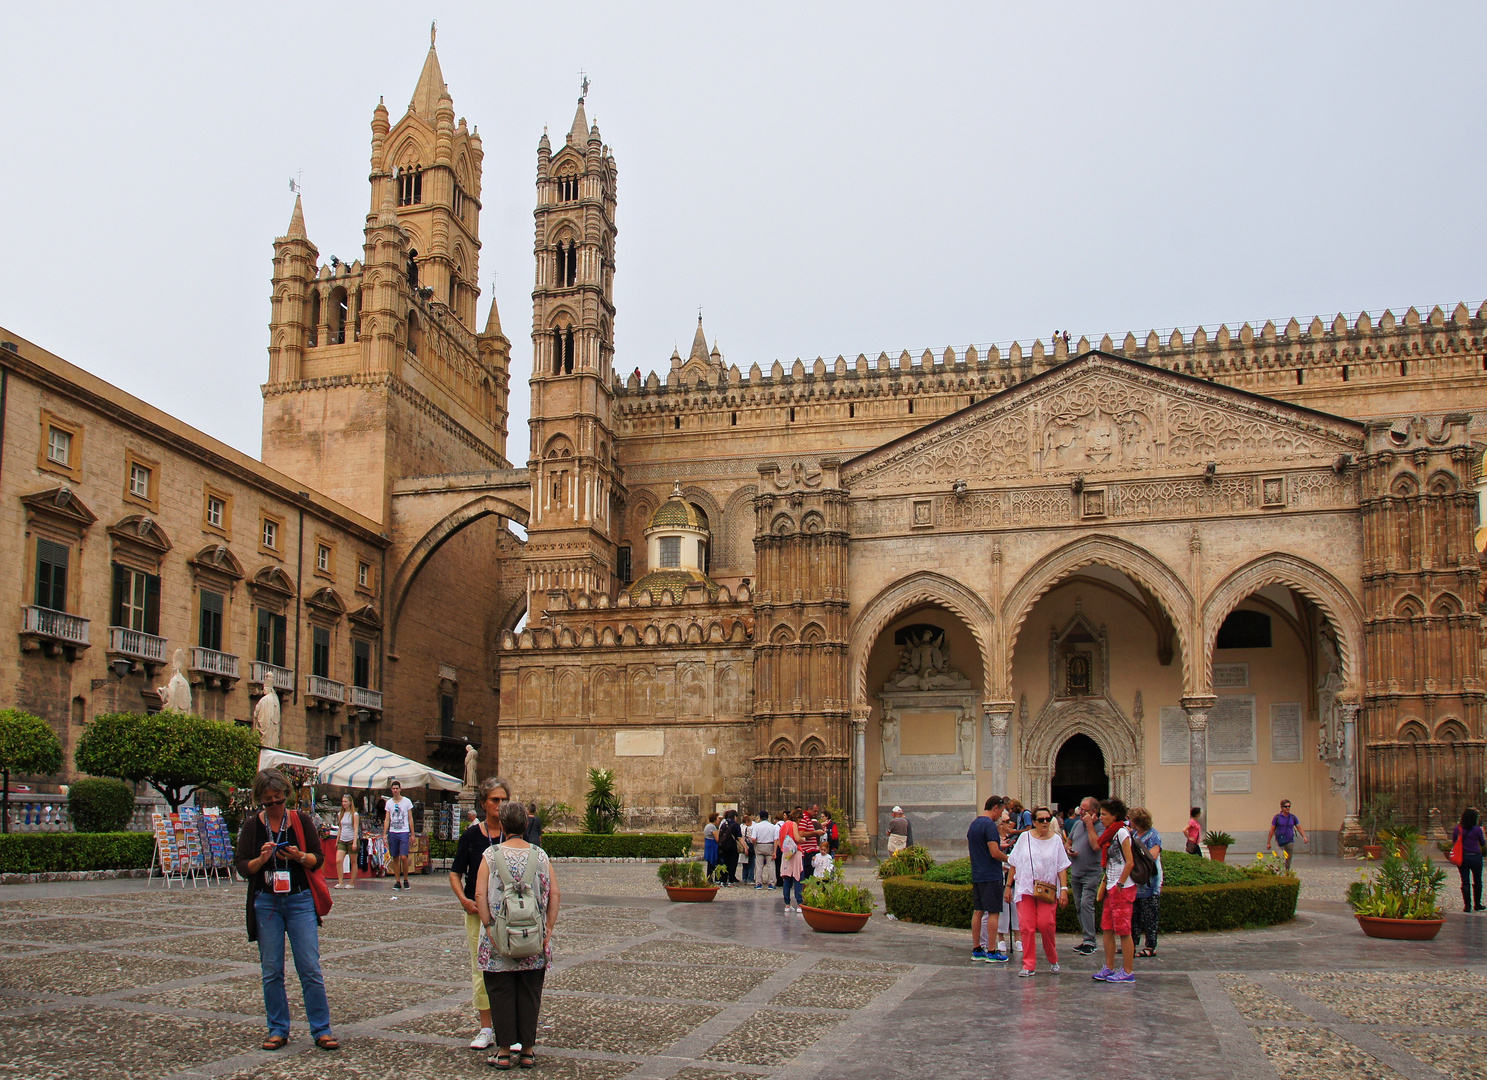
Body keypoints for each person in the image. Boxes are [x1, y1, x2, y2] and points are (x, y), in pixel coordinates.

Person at [235, 767, 338, 1052]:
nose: (274, 805)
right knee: (271, 970)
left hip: (299, 899)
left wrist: (299, 856)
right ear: (260, 799)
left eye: (278, 798)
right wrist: (261, 859)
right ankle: (278, 1028)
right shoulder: (253, 826)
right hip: (267, 901)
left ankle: (321, 1029)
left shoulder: (301, 820)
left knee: (309, 966)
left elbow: (317, 858)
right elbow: (243, 866)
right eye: (268, 800)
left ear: (286, 796)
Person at [476, 800, 559, 1070]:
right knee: (529, 992)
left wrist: (488, 927)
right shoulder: (540, 855)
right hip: (533, 936)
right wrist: (549, 928)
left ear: (502, 824)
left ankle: (502, 1051)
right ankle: (527, 1051)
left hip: (499, 938)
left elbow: (479, 894)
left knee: (500, 992)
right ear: (526, 824)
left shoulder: (491, 855)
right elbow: (554, 893)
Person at [450, 776, 508, 1051]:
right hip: (476, 914)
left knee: (510, 970)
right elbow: (455, 873)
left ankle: (508, 1028)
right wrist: (463, 899)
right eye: (495, 800)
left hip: (509, 915)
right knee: (481, 969)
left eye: (504, 800)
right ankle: (486, 1027)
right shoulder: (472, 835)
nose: (500, 804)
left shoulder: (513, 834)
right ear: (484, 803)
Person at [1004, 806, 1071, 977]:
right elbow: (1014, 862)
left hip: (1046, 890)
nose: (1045, 823)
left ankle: (1053, 958)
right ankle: (1028, 964)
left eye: (1048, 819)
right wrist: (1008, 886)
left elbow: (1062, 866)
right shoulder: (1025, 838)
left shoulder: (1056, 840)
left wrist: (1064, 889)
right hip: (1025, 887)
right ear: (1033, 822)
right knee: (1027, 926)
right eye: (1041, 820)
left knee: (1046, 924)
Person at [1092, 797, 1136, 984]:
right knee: (1108, 928)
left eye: (1104, 815)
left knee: (1124, 931)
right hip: (1111, 885)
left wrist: (1120, 884)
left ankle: (1127, 971)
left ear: (1114, 816)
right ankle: (1109, 967)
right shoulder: (1110, 834)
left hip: (1122, 888)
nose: (1101, 818)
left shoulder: (1122, 833)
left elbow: (1130, 861)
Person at [967, 795, 1010, 964]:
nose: (1001, 815)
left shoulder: (974, 824)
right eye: (1001, 810)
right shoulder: (990, 826)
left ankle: (977, 949)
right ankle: (992, 950)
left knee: (978, 910)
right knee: (993, 912)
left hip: (977, 873)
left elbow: (981, 847)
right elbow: (993, 852)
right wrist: (1009, 859)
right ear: (995, 808)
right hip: (991, 875)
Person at [1064, 796, 1103, 956]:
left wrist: (1089, 825)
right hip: (1076, 872)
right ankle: (1087, 938)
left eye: (1085, 810)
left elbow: (1096, 845)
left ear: (1094, 812)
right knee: (1079, 906)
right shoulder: (1077, 825)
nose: (1081, 812)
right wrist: (1068, 849)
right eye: (1080, 809)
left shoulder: (1100, 827)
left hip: (1091, 873)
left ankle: (1090, 941)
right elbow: (1069, 841)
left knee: (1087, 904)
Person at [1130, 807, 1163, 958]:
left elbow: (1153, 856)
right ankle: (1131, 943)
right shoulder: (1134, 834)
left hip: (1150, 881)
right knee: (1135, 914)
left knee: (1150, 915)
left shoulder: (1153, 835)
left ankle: (1151, 946)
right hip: (1136, 880)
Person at [995, 813, 1021, 954]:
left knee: (1016, 907)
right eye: (1005, 822)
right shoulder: (994, 840)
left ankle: (1018, 938)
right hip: (1001, 878)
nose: (1008, 824)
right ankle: (1001, 939)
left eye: (1008, 821)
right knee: (1002, 909)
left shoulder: (1015, 839)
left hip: (1016, 878)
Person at [1451, 807, 1485, 913]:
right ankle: (1477, 904)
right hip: (1476, 857)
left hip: (1464, 857)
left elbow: (1454, 841)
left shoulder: (1458, 829)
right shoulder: (1477, 829)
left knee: (1465, 881)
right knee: (1478, 880)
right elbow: (1483, 843)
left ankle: (1467, 905)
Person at [383, 780, 415, 892]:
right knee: (395, 857)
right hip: (393, 831)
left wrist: (412, 833)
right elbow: (387, 818)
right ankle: (397, 880)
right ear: (391, 790)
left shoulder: (407, 802)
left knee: (403, 857)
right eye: (393, 789)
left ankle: (406, 878)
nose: (395, 791)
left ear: (400, 789)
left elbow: (410, 818)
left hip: (404, 831)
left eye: (397, 788)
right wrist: (384, 833)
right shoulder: (389, 803)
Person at [1266, 800, 1307, 870]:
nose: (1288, 808)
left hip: (1290, 841)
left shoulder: (1293, 817)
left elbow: (1299, 827)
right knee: (1281, 858)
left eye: (1289, 806)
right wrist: (1268, 842)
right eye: (1286, 806)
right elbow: (1272, 829)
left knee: (1288, 860)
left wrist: (1304, 836)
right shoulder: (1277, 817)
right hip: (1279, 841)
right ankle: (1281, 873)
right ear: (1282, 808)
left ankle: (1287, 874)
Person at [778, 809, 804, 912]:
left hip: (786, 853)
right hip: (795, 853)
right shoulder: (793, 824)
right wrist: (802, 839)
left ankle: (787, 904)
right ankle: (799, 904)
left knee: (787, 879)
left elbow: (780, 840)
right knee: (797, 877)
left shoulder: (783, 825)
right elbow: (797, 838)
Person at [333, 794, 359, 890]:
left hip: (351, 838)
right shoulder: (341, 814)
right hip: (342, 839)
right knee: (338, 860)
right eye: (343, 801)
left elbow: (356, 828)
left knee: (353, 861)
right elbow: (340, 828)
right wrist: (337, 839)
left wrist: (355, 842)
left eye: (345, 801)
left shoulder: (354, 815)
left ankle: (352, 882)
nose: (344, 803)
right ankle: (340, 881)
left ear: (350, 803)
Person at [751, 811, 777, 889]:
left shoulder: (756, 826)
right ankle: (771, 883)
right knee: (771, 865)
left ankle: (758, 883)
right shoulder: (773, 826)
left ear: (760, 817)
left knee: (759, 865)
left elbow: (753, 838)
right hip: (770, 844)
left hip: (760, 844)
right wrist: (775, 851)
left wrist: (755, 845)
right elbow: (776, 839)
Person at [718, 809, 742, 885]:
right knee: (732, 864)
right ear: (734, 816)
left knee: (725, 863)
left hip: (724, 846)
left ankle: (723, 880)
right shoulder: (735, 825)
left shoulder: (723, 824)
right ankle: (731, 880)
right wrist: (745, 846)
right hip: (732, 846)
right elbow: (739, 837)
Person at [799, 804, 821, 880]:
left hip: (810, 850)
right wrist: (815, 833)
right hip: (807, 851)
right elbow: (801, 834)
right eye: (815, 811)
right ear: (809, 809)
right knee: (807, 876)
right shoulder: (804, 818)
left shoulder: (808, 819)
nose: (816, 813)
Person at [739, 813, 756, 885]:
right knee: (751, 863)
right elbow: (751, 838)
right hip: (749, 845)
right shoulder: (747, 829)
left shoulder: (740, 827)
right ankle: (750, 878)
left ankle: (744, 878)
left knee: (744, 863)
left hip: (742, 845)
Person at [703, 813, 719, 880]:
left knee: (710, 862)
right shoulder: (712, 827)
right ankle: (712, 877)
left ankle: (709, 877)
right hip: (712, 845)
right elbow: (717, 838)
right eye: (718, 819)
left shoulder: (707, 826)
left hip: (708, 844)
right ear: (715, 819)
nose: (719, 820)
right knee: (713, 861)